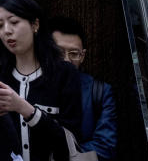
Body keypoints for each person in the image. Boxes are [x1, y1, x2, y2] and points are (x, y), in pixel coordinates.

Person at [0, 0, 82, 161]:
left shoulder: (65, 74)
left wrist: (24, 109)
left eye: (14, 22)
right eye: (0, 25)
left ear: (35, 24)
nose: (6, 31)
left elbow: (71, 143)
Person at [49, 16, 117, 161]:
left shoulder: (100, 91)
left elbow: (105, 147)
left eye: (74, 54)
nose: (66, 60)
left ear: (83, 56)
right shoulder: (29, 84)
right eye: (59, 52)